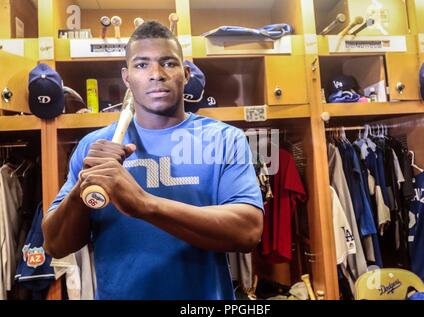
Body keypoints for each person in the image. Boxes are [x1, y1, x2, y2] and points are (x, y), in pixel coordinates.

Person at [42, 21, 264, 300]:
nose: (156, 74)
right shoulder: (95, 147)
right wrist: (82, 189)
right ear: (126, 77)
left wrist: (144, 204)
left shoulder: (225, 139)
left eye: (168, 63)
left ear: (185, 74)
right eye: (141, 65)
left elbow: (248, 232)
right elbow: (55, 244)